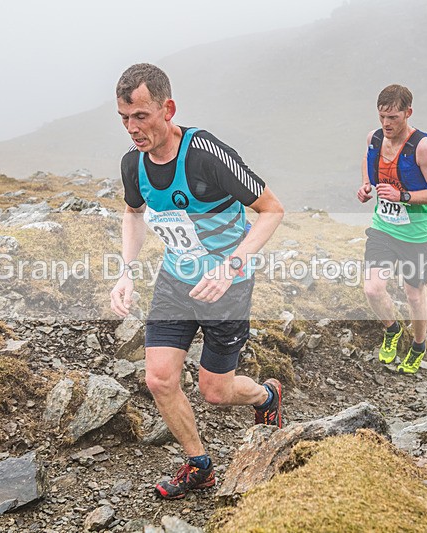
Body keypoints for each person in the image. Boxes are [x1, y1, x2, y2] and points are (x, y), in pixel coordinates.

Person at [109, 63, 285, 500]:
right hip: (176, 281)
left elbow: (272, 210)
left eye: (141, 116)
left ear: (167, 109)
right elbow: (133, 213)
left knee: (216, 391)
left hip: (228, 287)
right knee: (159, 379)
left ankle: (265, 396)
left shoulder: (205, 154)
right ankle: (199, 465)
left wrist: (231, 265)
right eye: (124, 118)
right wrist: (126, 272)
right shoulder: (133, 164)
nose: (132, 128)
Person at [356, 84, 427, 374]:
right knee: (372, 289)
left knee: (414, 295)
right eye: (382, 116)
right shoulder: (374, 139)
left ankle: (419, 345)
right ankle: (392, 329)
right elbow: (367, 162)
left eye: (393, 117)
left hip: (415, 236)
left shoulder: (422, 147)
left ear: (408, 113)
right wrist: (366, 186)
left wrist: (403, 196)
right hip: (383, 229)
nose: (386, 124)